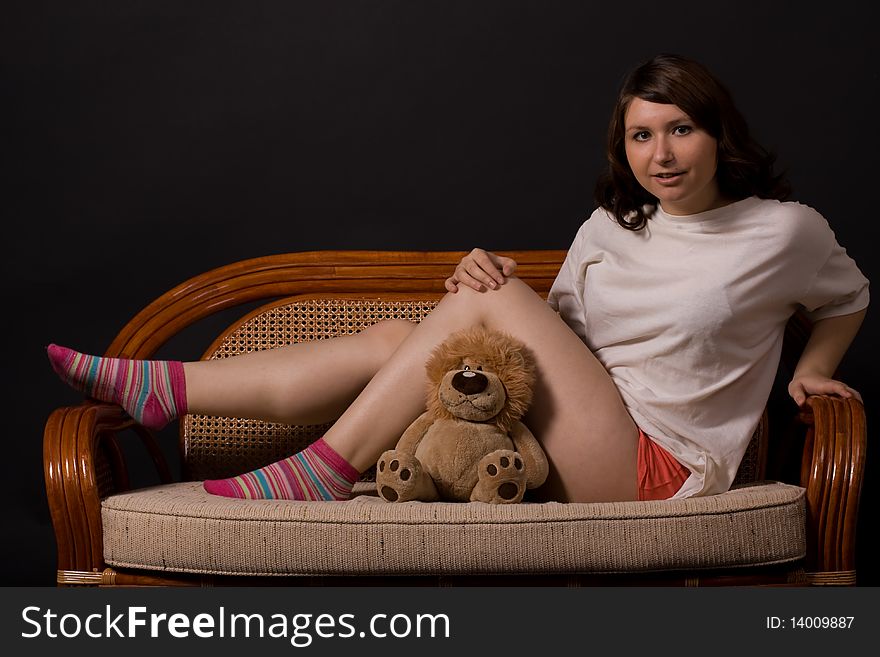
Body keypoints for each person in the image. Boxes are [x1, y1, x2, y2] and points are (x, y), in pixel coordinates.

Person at [47, 53, 869, 504]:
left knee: (481, 303)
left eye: (681, 129)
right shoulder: (610, 228)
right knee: (399, 336)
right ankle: (164, 386)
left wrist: (813, 366)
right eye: (640, 136)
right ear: (623, 150)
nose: (660, 155)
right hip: (566, 433)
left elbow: (848, 294)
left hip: (659, 467)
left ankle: (323, 469)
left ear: (719, 134)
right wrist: (504, 288)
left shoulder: (782, 229)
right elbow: (565, 344)